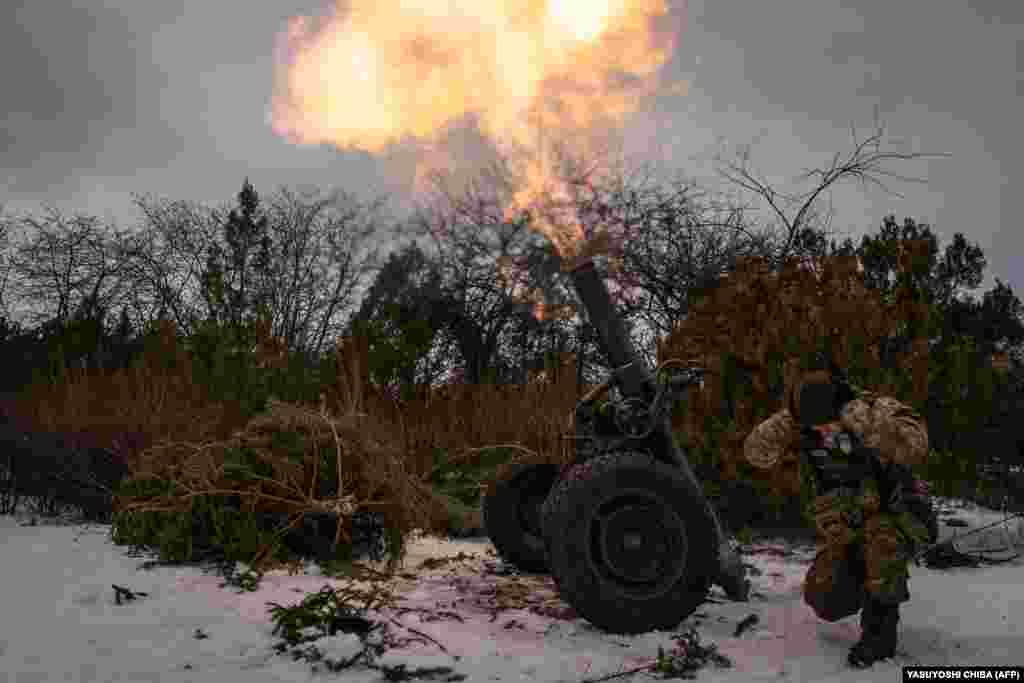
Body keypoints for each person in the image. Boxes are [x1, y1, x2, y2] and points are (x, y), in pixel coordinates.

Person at [743, 353, 933, 668]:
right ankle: (866, 581)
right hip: (847, 526)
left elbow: (917, 446)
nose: (825, 435)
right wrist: (785, 420)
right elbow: (756, 454)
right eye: (816, 429)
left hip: (901, 517)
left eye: (830, 427)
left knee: (880, 538)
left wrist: (870, 426)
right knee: (825, 598)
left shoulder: (875, 409)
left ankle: (880, 633)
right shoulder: (800, 419)